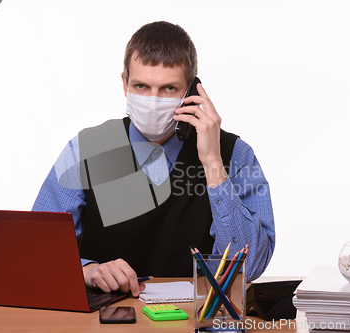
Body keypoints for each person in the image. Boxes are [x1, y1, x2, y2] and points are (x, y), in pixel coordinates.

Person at [32, 21, 275, 298]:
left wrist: (212, 162)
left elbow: (251, 267)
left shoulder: (236, 154)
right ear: (125, 84)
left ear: (192, 91)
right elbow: (37, 251)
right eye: (141, 86)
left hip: (193, 320)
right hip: (107, 321)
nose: (152, 100)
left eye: (169, 89)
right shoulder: (85, 149)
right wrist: (85, 270)